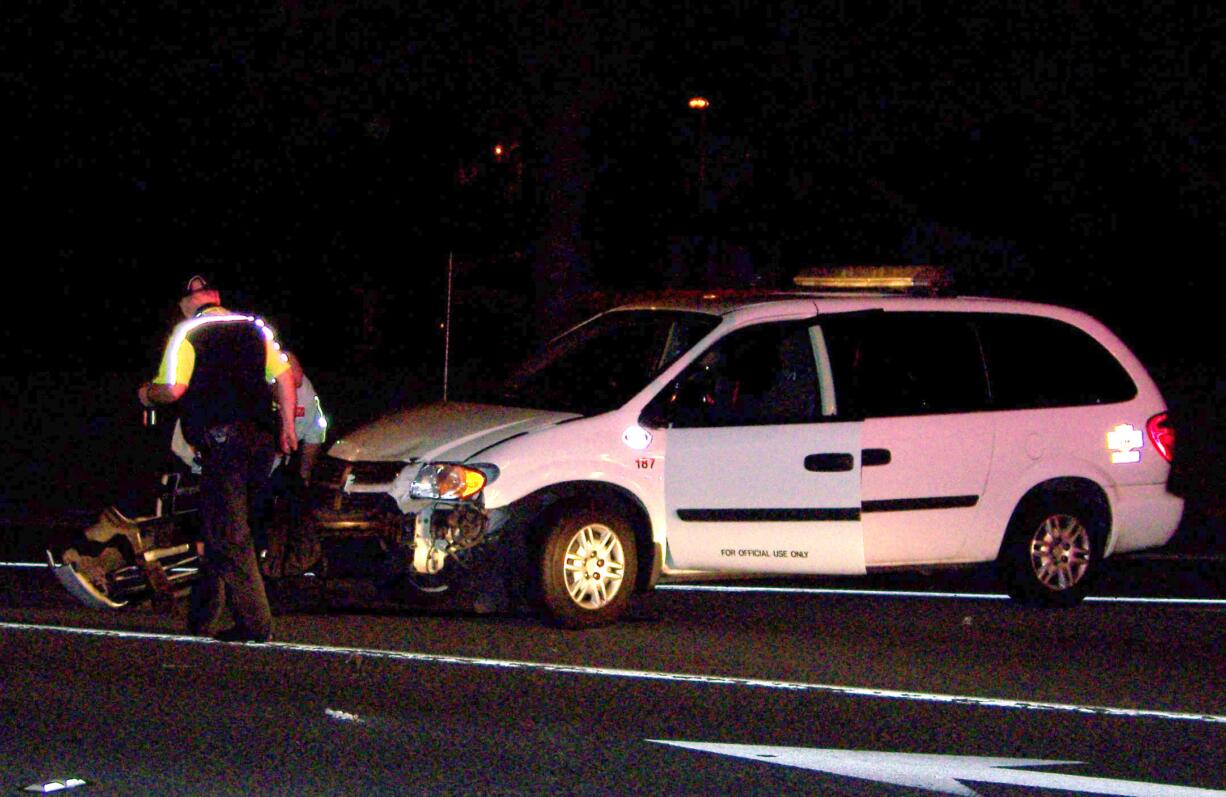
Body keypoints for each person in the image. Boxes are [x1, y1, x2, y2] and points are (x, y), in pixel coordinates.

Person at [138, 274, 296, 643]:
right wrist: (287, 426)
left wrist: (148, 394)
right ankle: (202, 615)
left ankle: (255, 624)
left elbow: (174, 389)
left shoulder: (188, 332)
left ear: (186, 303)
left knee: (229, 533)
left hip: (224, 441)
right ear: (217, 297)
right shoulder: (254, 328)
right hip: (261, 441)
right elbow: (285, 377)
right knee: (220, 526)